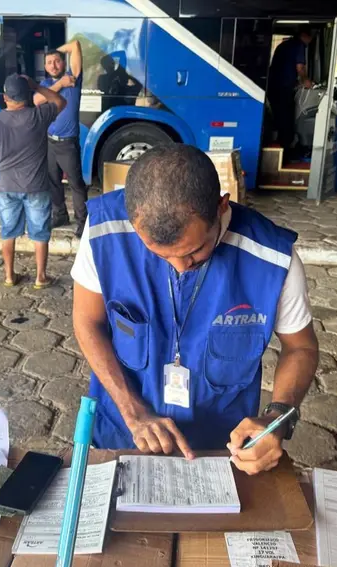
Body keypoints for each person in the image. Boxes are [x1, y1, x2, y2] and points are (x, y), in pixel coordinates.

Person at [71, 144, 319, 475]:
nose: (181, 266)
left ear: (221, 206)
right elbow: (87, 321)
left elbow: (300, 347)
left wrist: (277, 418)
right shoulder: (104, 231)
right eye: (160, 255)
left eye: (194, 251)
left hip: (220, 450)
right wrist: (133, 412)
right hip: (122, 433)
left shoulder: (273, 258)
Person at [0, 74, 67, 289]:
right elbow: (60, 101)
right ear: (27, 95)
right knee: (40, 234)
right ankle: (40, 277)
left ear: (5, 97)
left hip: (7, 187)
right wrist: (37, 86)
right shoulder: (39, 116)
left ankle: (9, 276)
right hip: (37, 187)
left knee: (8, 233)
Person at [34, 40, 87, 238]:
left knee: (76, 185)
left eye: (57, 61)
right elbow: (37, 100)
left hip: (68, 143)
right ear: (45, 67)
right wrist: (60, 84)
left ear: (64, 63)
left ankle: (83, 222)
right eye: (49, 62)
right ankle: (60, 215)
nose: (54, 65)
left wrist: (56, 50)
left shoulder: (74, 78)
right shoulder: (45, 85)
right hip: (49, 142)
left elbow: (75, 45)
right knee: (53, 182)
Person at [268, 27, 313, 158]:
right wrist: (306, 81)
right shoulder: (299, 46)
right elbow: (300, 67)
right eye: (311, 37)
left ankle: (282, 147)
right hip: (282, 88)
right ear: (304, 35)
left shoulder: (285, 44)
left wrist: (297, 82)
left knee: (280, 117)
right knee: (286, 119)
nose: (310, 41)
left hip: (273, 86)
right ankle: (285, 152)